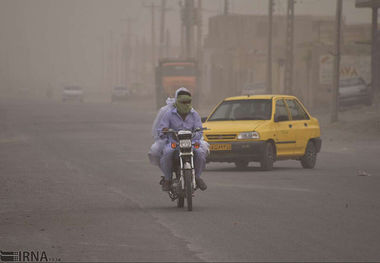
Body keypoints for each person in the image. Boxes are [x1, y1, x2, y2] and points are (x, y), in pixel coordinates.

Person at [157, 88, 207, 191]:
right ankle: (168, 179)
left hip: (191, 143)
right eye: (183, 102)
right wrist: (164, 131)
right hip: (174, 143)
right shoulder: (169, 114)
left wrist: (196, 136)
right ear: (177, 102)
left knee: (201, 153)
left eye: (188, 102)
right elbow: (161, 129)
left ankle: (197, 177)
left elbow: (199, 131)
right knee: (167, 153)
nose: (186, 104)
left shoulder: (195, 114)